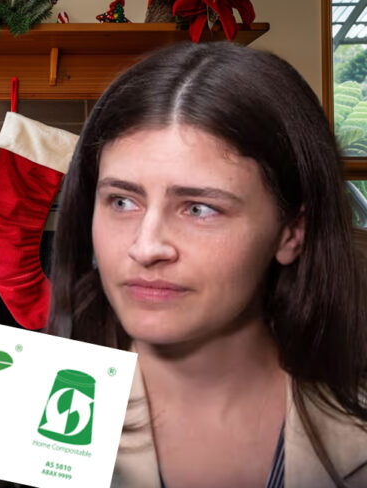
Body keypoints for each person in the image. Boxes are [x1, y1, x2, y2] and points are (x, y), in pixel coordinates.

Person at [48, 41, 367, 488]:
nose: (146, 247)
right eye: (122, 201)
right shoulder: (13, 412)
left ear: (291, 233)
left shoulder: (357, 441)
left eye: (199, 209)